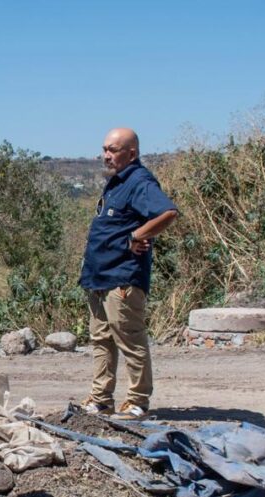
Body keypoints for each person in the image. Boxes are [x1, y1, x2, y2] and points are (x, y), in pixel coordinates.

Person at [79, 128, 178, 421]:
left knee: (129, 340)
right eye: (104, 149)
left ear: (131, 153)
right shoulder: (116, 183)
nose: (106, 155)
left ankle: (137, 402)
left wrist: (138, 234)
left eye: (113, 149)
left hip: (122, 277)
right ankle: (101, 400)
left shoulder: (139, 181)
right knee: (101, 341)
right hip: (99, 277)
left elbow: (167, 212)